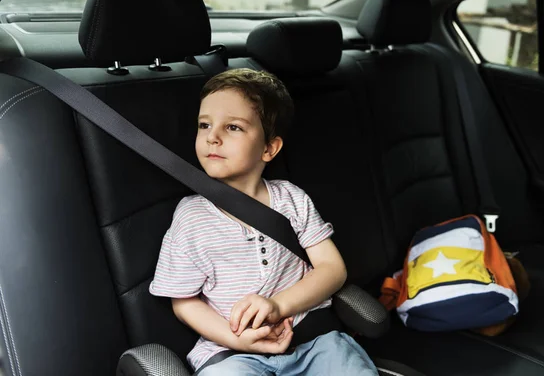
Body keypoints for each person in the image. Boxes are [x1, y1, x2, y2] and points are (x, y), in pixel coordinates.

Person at [149, 68, 378, 375]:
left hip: (312, 341)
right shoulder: (191, 218)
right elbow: (185, 303)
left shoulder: (291, 199)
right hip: (231, 352)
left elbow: (332, 269)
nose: (212, 137)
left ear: (269, 148)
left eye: (233, 127)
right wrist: (238, 340)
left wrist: (279, 306)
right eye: (204, 125)